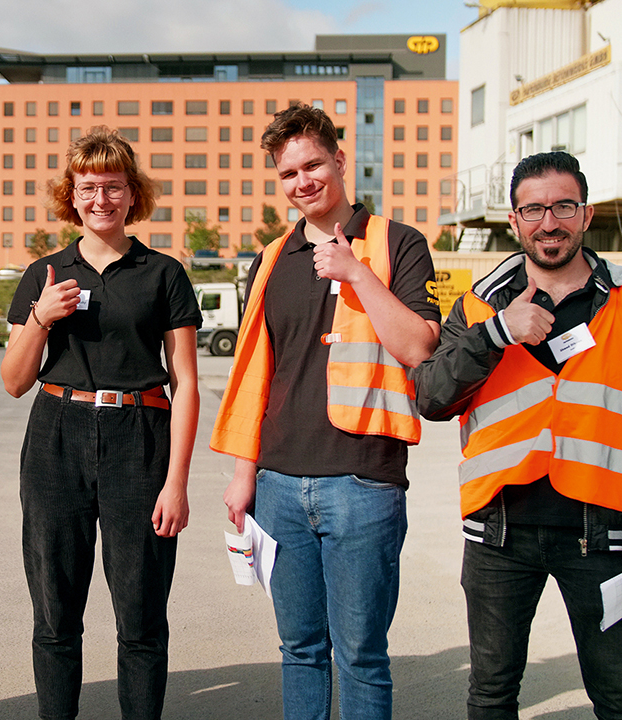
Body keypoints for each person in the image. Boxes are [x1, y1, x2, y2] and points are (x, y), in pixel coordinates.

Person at [413, 151, 622, 720]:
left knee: (619, 698)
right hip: (498, 534)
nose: (549, 222)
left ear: (586, 214)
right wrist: (496, 333)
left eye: (564, 206)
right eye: (533, 209)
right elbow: (431, 397)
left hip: (605, 535)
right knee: (491, 695)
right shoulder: (480, 304)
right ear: (513, 221)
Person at [212, 103, 440, 720]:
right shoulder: (271, 258)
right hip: (278, 483)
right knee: (300, 650)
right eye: (288, 173)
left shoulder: (397, 243)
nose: (302, 182)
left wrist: (357, 274)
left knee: (361, 655)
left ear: (340, 160)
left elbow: (420, 347)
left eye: (313, 165)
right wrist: (244, 473)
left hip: (363, 479)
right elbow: (258, 371)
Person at [1, 126, 201, 720]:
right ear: (71, 194)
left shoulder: (163, 273)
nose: (100, 199)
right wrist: (40, 317)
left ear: (132, 193)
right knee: (55, 613)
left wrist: (176, 482)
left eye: (113, 186)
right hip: (56, 437)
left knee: (141, 616)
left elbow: (186, 383)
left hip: (139, 439)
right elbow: (13, 380)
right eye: (87, 187)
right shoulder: (44, 273)